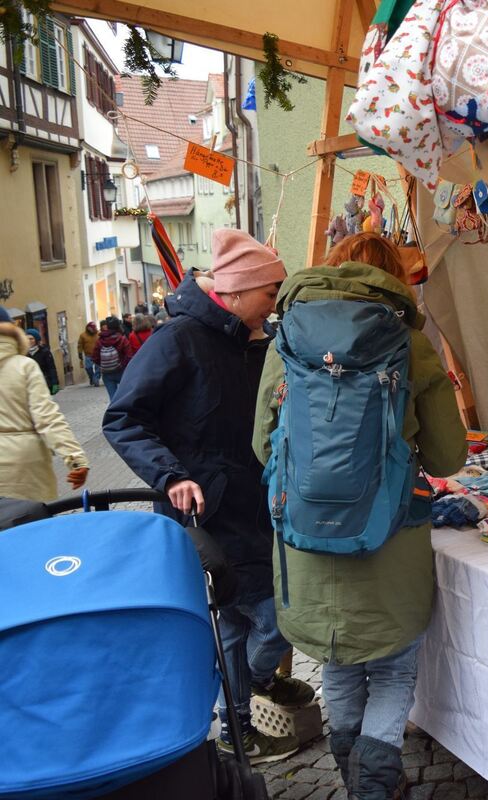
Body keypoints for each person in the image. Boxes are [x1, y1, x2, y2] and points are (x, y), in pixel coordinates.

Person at [253, 232, 466, 799]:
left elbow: (262, 445)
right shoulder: (410, 343)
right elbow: (448, 456)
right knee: (393, 669)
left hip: (304, 539)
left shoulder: (287, 339)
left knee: (337, 664)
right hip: (388, 539)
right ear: (393, 276)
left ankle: (358, 784)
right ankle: (375, 789)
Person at [104, 229, 312, 764]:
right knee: (271, 616)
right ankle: (243, 713)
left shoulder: (255, 337)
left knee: (245, 620)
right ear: (238, 292)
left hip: (259, 507)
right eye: (271, 292)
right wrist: (171, 476)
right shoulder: (178, 339)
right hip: (207, 514)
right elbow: (123, 419)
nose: (277, 303)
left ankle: (241, 716)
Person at [0, 308, 88, 500]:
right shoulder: (24, 366)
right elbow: (47, 417)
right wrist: (75, 459)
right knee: (28, 525)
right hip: (24, 466)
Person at [92, 317, 132, 400]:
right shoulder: (122, 339)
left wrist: (103, 364)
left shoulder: (100, 341)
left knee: (113, 398)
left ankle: (115, 412)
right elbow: (129, 356)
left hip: (107, 373)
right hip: (121, 371)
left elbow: (95, 357)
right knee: (125, 396)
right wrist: (122, 365)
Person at [25, 329, 59, 395]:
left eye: (31, 339)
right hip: (29, 385)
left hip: (44, 382)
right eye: (27, 339)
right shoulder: (23, 353)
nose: (29, 341)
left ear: (36, 340)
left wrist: (55, 383)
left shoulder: (45, 352)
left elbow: (51, 368)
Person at [77, 322, 100, 387]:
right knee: (88, 367)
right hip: (88, 355)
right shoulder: (83, 335)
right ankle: (92, 377)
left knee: (98, 368)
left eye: (94, 328)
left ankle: (96, 379)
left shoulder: (98, 334)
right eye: (92, 328)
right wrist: (80, 353)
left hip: (98, 354)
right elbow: (80, 345)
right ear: (88, 328)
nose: (93, 329)